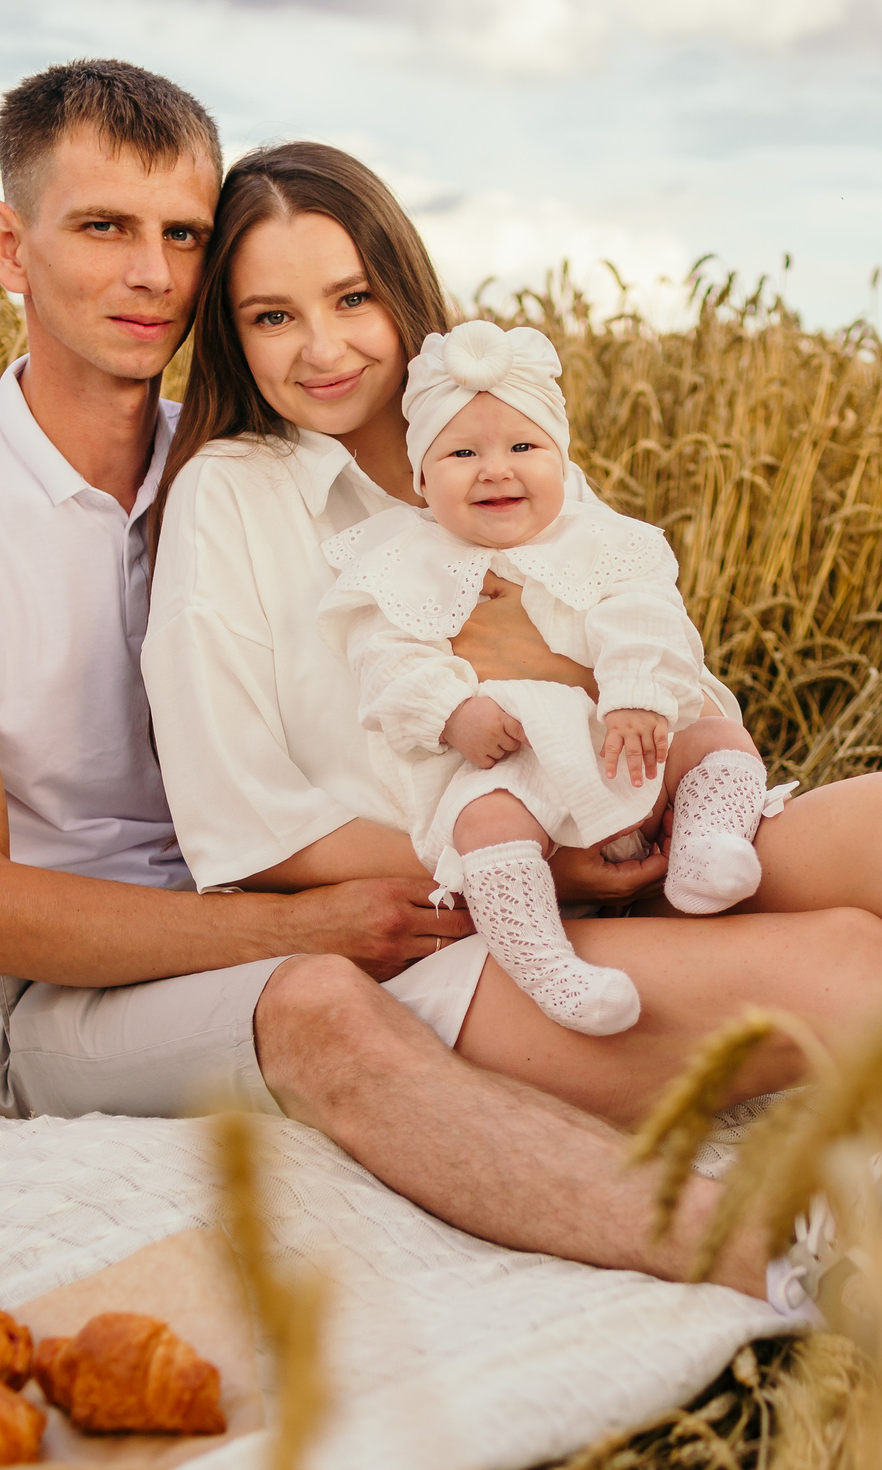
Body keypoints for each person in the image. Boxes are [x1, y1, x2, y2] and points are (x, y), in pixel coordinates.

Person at [0, 61, 882, 1317]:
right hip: (170, 948)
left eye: (182, 235)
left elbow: (623, 642)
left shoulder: (334, 455)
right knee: (829, 967)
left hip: (467, 847)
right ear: (11, 247)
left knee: (880, 814)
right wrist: (427, 888)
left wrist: (661, 768)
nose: (150, 273)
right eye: (105, 229)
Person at [144, 139, 882, 1301]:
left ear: (402, 291)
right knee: (847, 961)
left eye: (351, 298)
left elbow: (654, 653)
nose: (324, 347)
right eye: (273, 316)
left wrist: (658, 774)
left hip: (620, 830)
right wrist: (561, 858)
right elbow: (250, 836)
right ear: (231, 337)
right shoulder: (231, 499)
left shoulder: (499, 450)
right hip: (464, 921)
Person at [319, 317, 783, 1037]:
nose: (495, 468)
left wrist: (633, 694)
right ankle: (545, 963)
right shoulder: (404, 559)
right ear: (419, 477)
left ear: (562, 463)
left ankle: (707, 848)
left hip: (627, 744)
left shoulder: (603, 541)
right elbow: (388, 661)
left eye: (524, 446)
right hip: (513, 759)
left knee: (719, 734)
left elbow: (648, 619)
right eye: (462, 451)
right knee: (484, 822)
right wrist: (452, 711)